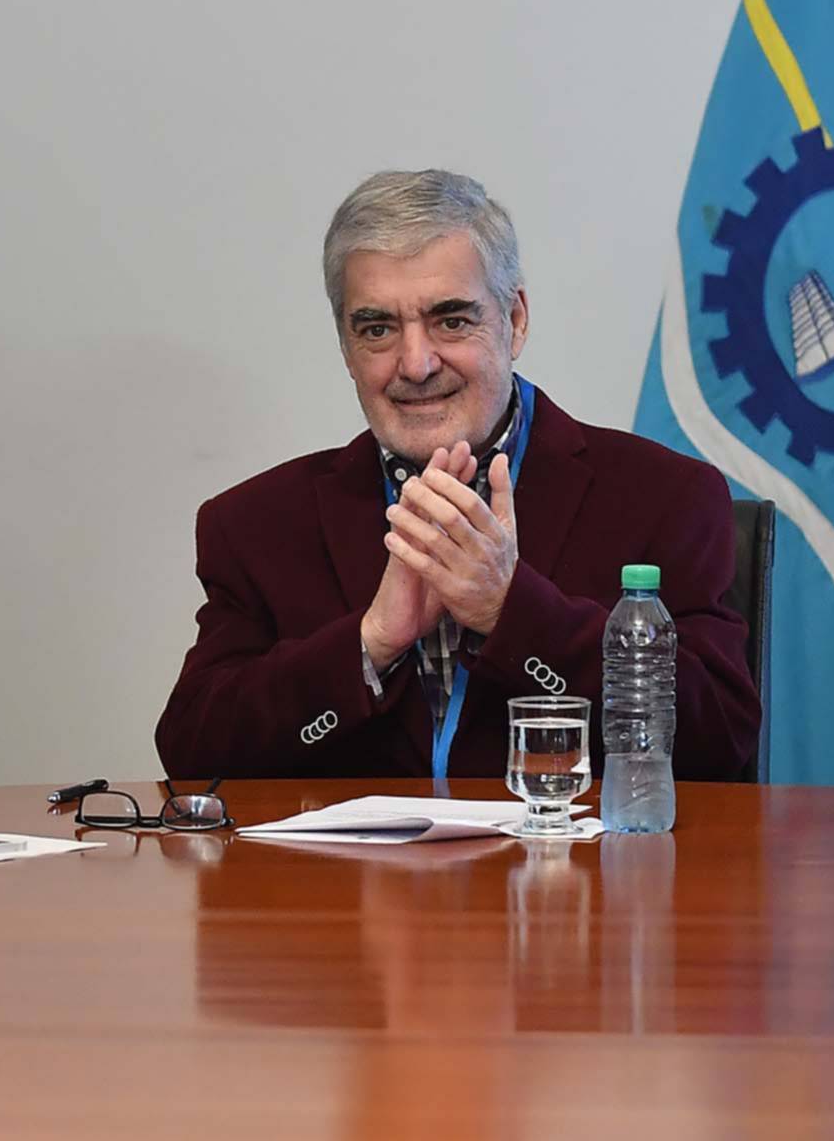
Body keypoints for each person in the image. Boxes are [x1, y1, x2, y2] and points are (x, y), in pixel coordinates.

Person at [156, 169, 759, 782]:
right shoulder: (254, 525)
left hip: (571, 847)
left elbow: (717, 743)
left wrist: (511, 610)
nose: (416, 364)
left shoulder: (666, 497)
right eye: (377, 329)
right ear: (346, 348)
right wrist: (370, 643)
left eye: (451, 320)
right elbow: (193, 756)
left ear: (514, 321)